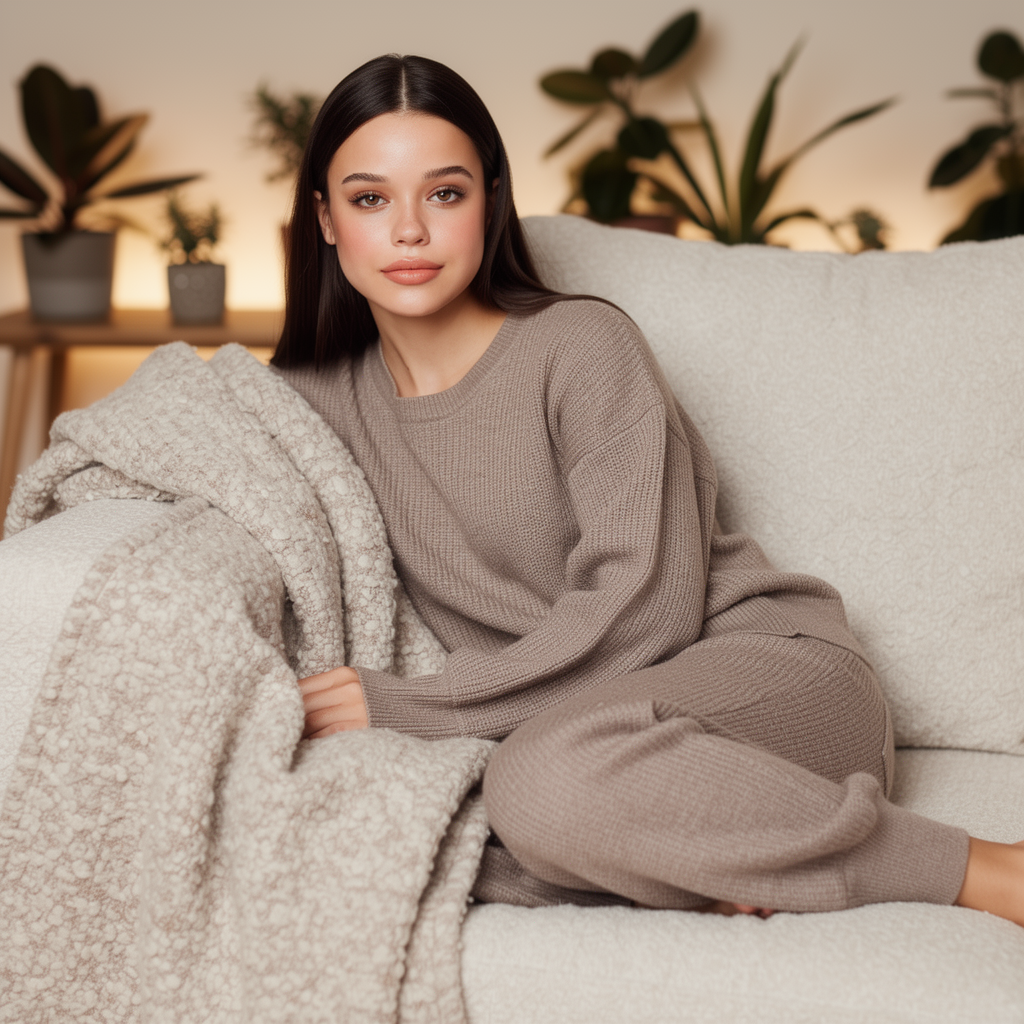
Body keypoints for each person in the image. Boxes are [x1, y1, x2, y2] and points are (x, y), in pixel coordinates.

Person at [271, 53, 1023, 924]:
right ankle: (708, 857)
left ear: (490, 201)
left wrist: (417, 707)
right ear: (324, 219)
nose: (409, 230)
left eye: (444, 193)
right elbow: (164, 425)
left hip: (763, 675)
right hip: (595, 733)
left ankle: (987, 871)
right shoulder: (311, 399)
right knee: (439, 810)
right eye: (370, 199)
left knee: (535, 781)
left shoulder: (580, 345)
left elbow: (648, 608)